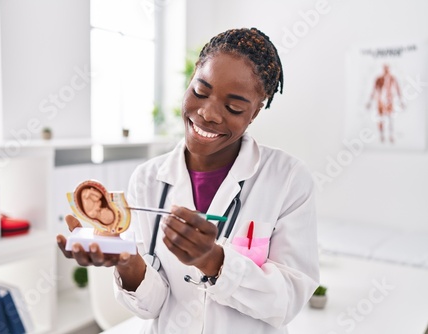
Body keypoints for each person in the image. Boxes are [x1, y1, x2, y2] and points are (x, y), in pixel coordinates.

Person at [57, 27, 319, 333]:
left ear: (255, 112)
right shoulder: (147, 180)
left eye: (233, 107)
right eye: (200, 91)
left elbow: (287, 301)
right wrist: (127, 262)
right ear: (190, 79)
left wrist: (213, 261)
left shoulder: (288, 180)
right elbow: (151, 305)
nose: (208, 113)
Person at [366, 64, 404, 143]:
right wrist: (370, 101)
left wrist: (401, 101)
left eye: (388, 69)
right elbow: (374, 90)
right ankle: (382, 136)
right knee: (381, 119)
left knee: (390, 118)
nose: (386, 71)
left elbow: (397, 89)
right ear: (383, 69)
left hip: (389, 100)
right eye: (385, 69)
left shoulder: (392, 78)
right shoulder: (378, 79)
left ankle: (390, 136)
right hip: (380, 101)